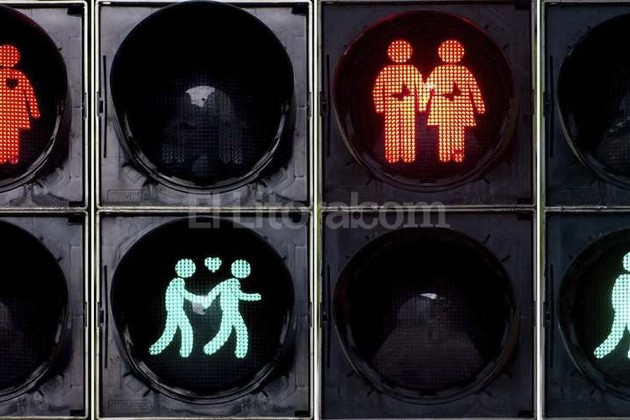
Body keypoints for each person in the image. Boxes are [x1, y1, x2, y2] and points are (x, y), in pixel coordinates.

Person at [426, 39, 485, 163]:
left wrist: (423, 104)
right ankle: (448, 156)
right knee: (448, 133)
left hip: (447, 109)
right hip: (451, 109)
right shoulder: (446, 71)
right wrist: (479, 107)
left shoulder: (444, 71)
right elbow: (427, 89)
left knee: (454, 133)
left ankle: (452, 156)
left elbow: (473, 88)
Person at [372, 39, 429, 164]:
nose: (400, 55)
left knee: (408, 129)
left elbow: (421, 89)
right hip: (392, 105)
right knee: (392, 129)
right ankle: (392, 155)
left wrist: (421, 105)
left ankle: (408, 155)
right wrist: (380, 107)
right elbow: (378, 89)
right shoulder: (387, 71)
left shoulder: (412, 70)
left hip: (407, 105)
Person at [201, 259, 261, 358]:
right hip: (231, 311)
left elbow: (215, 291)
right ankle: (238, 351)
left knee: (228, 331)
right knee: (239, 330)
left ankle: (210, 348)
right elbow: (240, 295)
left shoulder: (226, 282)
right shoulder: (233, 283)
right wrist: (254, 297)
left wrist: (207, 301)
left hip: (229, 310)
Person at [149, 258, 206, 358]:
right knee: (186, 330)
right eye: (190, 270)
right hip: (176, 310)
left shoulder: (177, 281)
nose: (191, 273)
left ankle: (156, 349)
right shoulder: (177, 282)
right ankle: (185, 352)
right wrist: (199, 298)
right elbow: (185, 294)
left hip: (174, 309)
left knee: (170, 332)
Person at [0, 44, 39, 164]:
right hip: (10, 113)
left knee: (11, 135)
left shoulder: (19, 76)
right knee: (7, 134)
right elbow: (29, 93)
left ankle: (10, 156)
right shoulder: (17, 75)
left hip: (10, 112)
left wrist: (35, 111)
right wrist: (34, 112)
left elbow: (29, 92)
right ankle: (5, 156)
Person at [594, 252, 630, 359]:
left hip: (622, 311)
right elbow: (615, 294)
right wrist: (618, 308)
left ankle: (600, 353)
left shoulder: (621, 279)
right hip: (622, 312)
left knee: (615, 333)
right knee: (615, 333)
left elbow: (614, 294)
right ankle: (600, 353)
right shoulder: (621, 279)